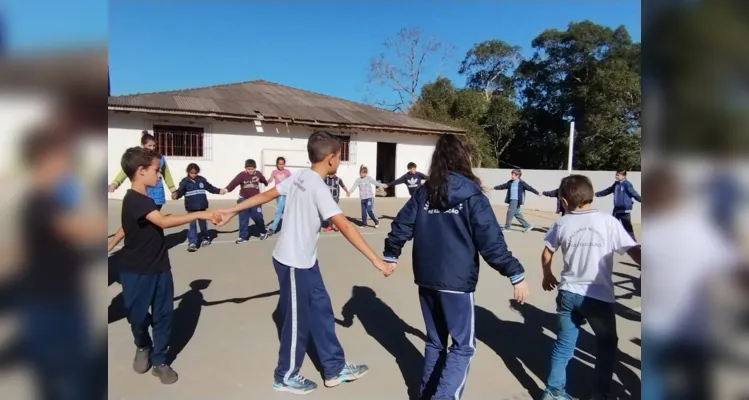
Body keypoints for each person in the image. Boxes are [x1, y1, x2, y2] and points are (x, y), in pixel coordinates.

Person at [214, 131, 394, 395]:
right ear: (331, 158)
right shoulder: (318, 187)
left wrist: (232, 209)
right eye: (339, 158)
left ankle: (334, 368)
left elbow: (267, 195)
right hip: (293, 263)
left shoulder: (298, 175)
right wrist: (376, 260)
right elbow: (343, 224)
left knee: (321, 309)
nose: (339, 163)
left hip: (306, 261)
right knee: (297, 321)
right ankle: (285, 375)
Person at [382, 134, 528, 400]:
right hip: (457, 283)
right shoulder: (472, 195)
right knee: (463, 346)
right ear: (465, 158)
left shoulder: (425, 192)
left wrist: (391, 255)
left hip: (427, 278)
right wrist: (515, 272)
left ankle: (426, 393)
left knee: (435, 342)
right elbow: (491, 241)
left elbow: (401, 225)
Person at [107, 147, 217, 385]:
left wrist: (111, 241)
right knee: (137, 317)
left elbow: (131, 224)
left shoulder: (144, 200)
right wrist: (200, 215)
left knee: (164, 316)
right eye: (157, 171)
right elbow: (162, 222)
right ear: (141, 171)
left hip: (160, 267)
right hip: (135, 270)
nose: (159, 175)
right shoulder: (134, 199)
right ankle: (143, 344)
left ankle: (159, 361)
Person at [539, 174, 641, 400]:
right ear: (592, 196)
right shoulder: (609, 222)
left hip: (567, 293)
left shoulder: (562, 222)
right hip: (598, 297)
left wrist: (547, 275)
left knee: (564, 344)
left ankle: (553, 392)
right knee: (606, 344)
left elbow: (547, 252)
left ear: (564, 202)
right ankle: (599, 393)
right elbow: (633, 251)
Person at [108, 130, 177, 210]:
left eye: (154, 146)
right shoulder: (138, 158)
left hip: (157, 195)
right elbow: (125, 171)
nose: (152, 148)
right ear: (143, 145)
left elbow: (166, 174)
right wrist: (115, 184)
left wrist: (173, 190)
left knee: (155, 219)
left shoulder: (159, 158)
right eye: (149, 145)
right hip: (143, 194)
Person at [172, 163, 227, 252]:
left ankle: (205, 238)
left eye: (195, 173)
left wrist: (219, 191)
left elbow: (210, 188)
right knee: (192, 225)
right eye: (191, 173)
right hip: (191, 209)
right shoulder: (185, 182)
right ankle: (192, 243)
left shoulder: (202, 180)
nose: (193, 175)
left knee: (203, 224)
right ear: (188, 172)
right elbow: (180, 191)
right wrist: (176, 195)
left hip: (202, 207)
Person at [224, 159, 269, 242]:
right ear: (245, 168)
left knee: (257, 217)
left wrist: (266, 183)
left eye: (252, 169)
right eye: (248, 169)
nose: (250, 171)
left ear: (255, 168)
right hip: (243, 199)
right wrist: (226, 190)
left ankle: (263, 231)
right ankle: (243, 236)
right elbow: (234, 183)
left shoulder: (258, 174)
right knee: (243, 217)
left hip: (256, 199)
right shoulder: (242, 175)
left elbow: (263, 179)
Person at [594, 170, 641, 241]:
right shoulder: (616, 184)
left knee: (627, 225)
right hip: (617, 208)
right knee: (612, 224)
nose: (616, 176)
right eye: (616, 175)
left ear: (624, 176)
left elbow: (634, 193)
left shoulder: (627, 184)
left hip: (625, 209)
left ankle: (632, 240)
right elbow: (608, 190)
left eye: (618, 175)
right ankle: (610, 240)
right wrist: (596, 194)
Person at [268, 156, 292, 236]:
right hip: (276, 193)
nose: (281, 166)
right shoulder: (274, 172)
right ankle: (292, 224)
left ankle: (273, 228)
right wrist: (265, 181)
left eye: (282, 164)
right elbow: (271, 179)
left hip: (283, 194)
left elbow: (292, 180)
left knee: (278, 210)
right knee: (284, 210)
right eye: (279, 164)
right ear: (277, 164)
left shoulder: (287, 172)